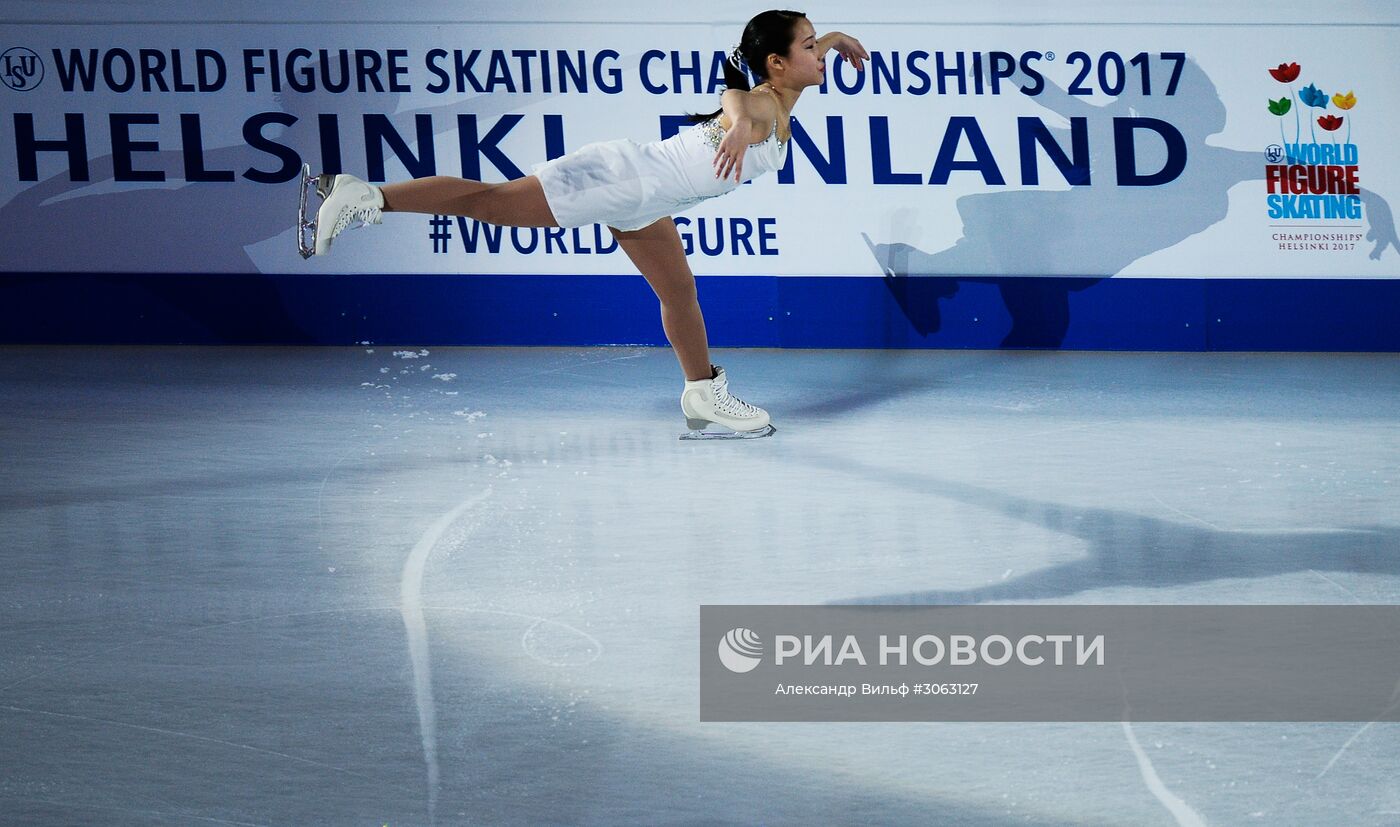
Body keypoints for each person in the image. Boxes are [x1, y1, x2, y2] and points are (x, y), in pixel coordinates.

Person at [301, 10, 868, 439]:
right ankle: (362, 196)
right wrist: (740, 124)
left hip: (644, 199)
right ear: (776, 62)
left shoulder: (782, 96)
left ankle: (703, 394)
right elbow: (740, 100)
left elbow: (748, 88)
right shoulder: (764, 105)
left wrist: (838, 41)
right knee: (493, 202)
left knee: (679, 292)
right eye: (811, 46)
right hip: (622, 179)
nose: (821, 53)